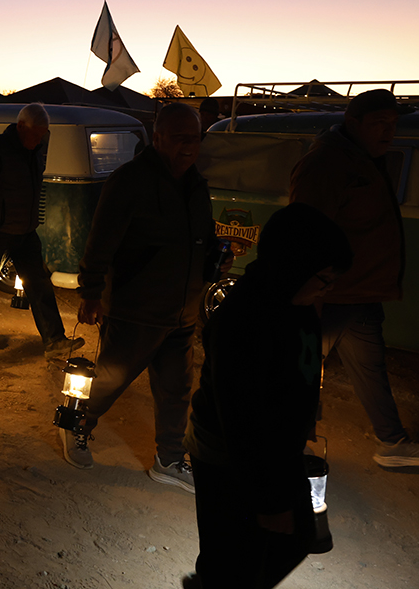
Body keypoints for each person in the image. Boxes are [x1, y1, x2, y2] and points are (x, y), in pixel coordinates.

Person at [184, 203, 352, 589]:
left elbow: (302, 370)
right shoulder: (243, 323)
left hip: (276, 449)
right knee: (234, 559)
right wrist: (269, 502)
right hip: (228, 457)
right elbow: (241, 420)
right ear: (293, 268)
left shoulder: (299, 305)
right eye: (324, 279)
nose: (329, 289)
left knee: (298, 537)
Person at [65, 102, 227, 492]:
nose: (190, 147)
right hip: (136, 305)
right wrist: (90, 293)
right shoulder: (130, 181)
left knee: (176, 390)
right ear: (158, 139)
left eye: (196, 138)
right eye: (180, 138)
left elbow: (198, 237)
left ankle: (168, 458)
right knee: (109, 380)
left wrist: (214, 259)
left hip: (181, 309)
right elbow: (101, 240)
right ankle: (74, 426)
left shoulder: (196, 184)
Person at [289, 88, 419, 467]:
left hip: (359, 292)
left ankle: (392, 442)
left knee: (369, 367)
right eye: (380, 124)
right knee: (305, 367)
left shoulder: (362, 156)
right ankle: (295, 442)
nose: (388, 132)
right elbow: (305, 233)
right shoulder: (327, 163)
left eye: (393, 125)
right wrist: (308, 296)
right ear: (353, 122)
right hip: (330, 294)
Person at [0, 103, 79, 359]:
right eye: (35, 134)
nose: (38, 139)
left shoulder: (34, 150)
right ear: (21, 126)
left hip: (25, 231)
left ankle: (54, 340)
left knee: (40, 284)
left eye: (42, 134)